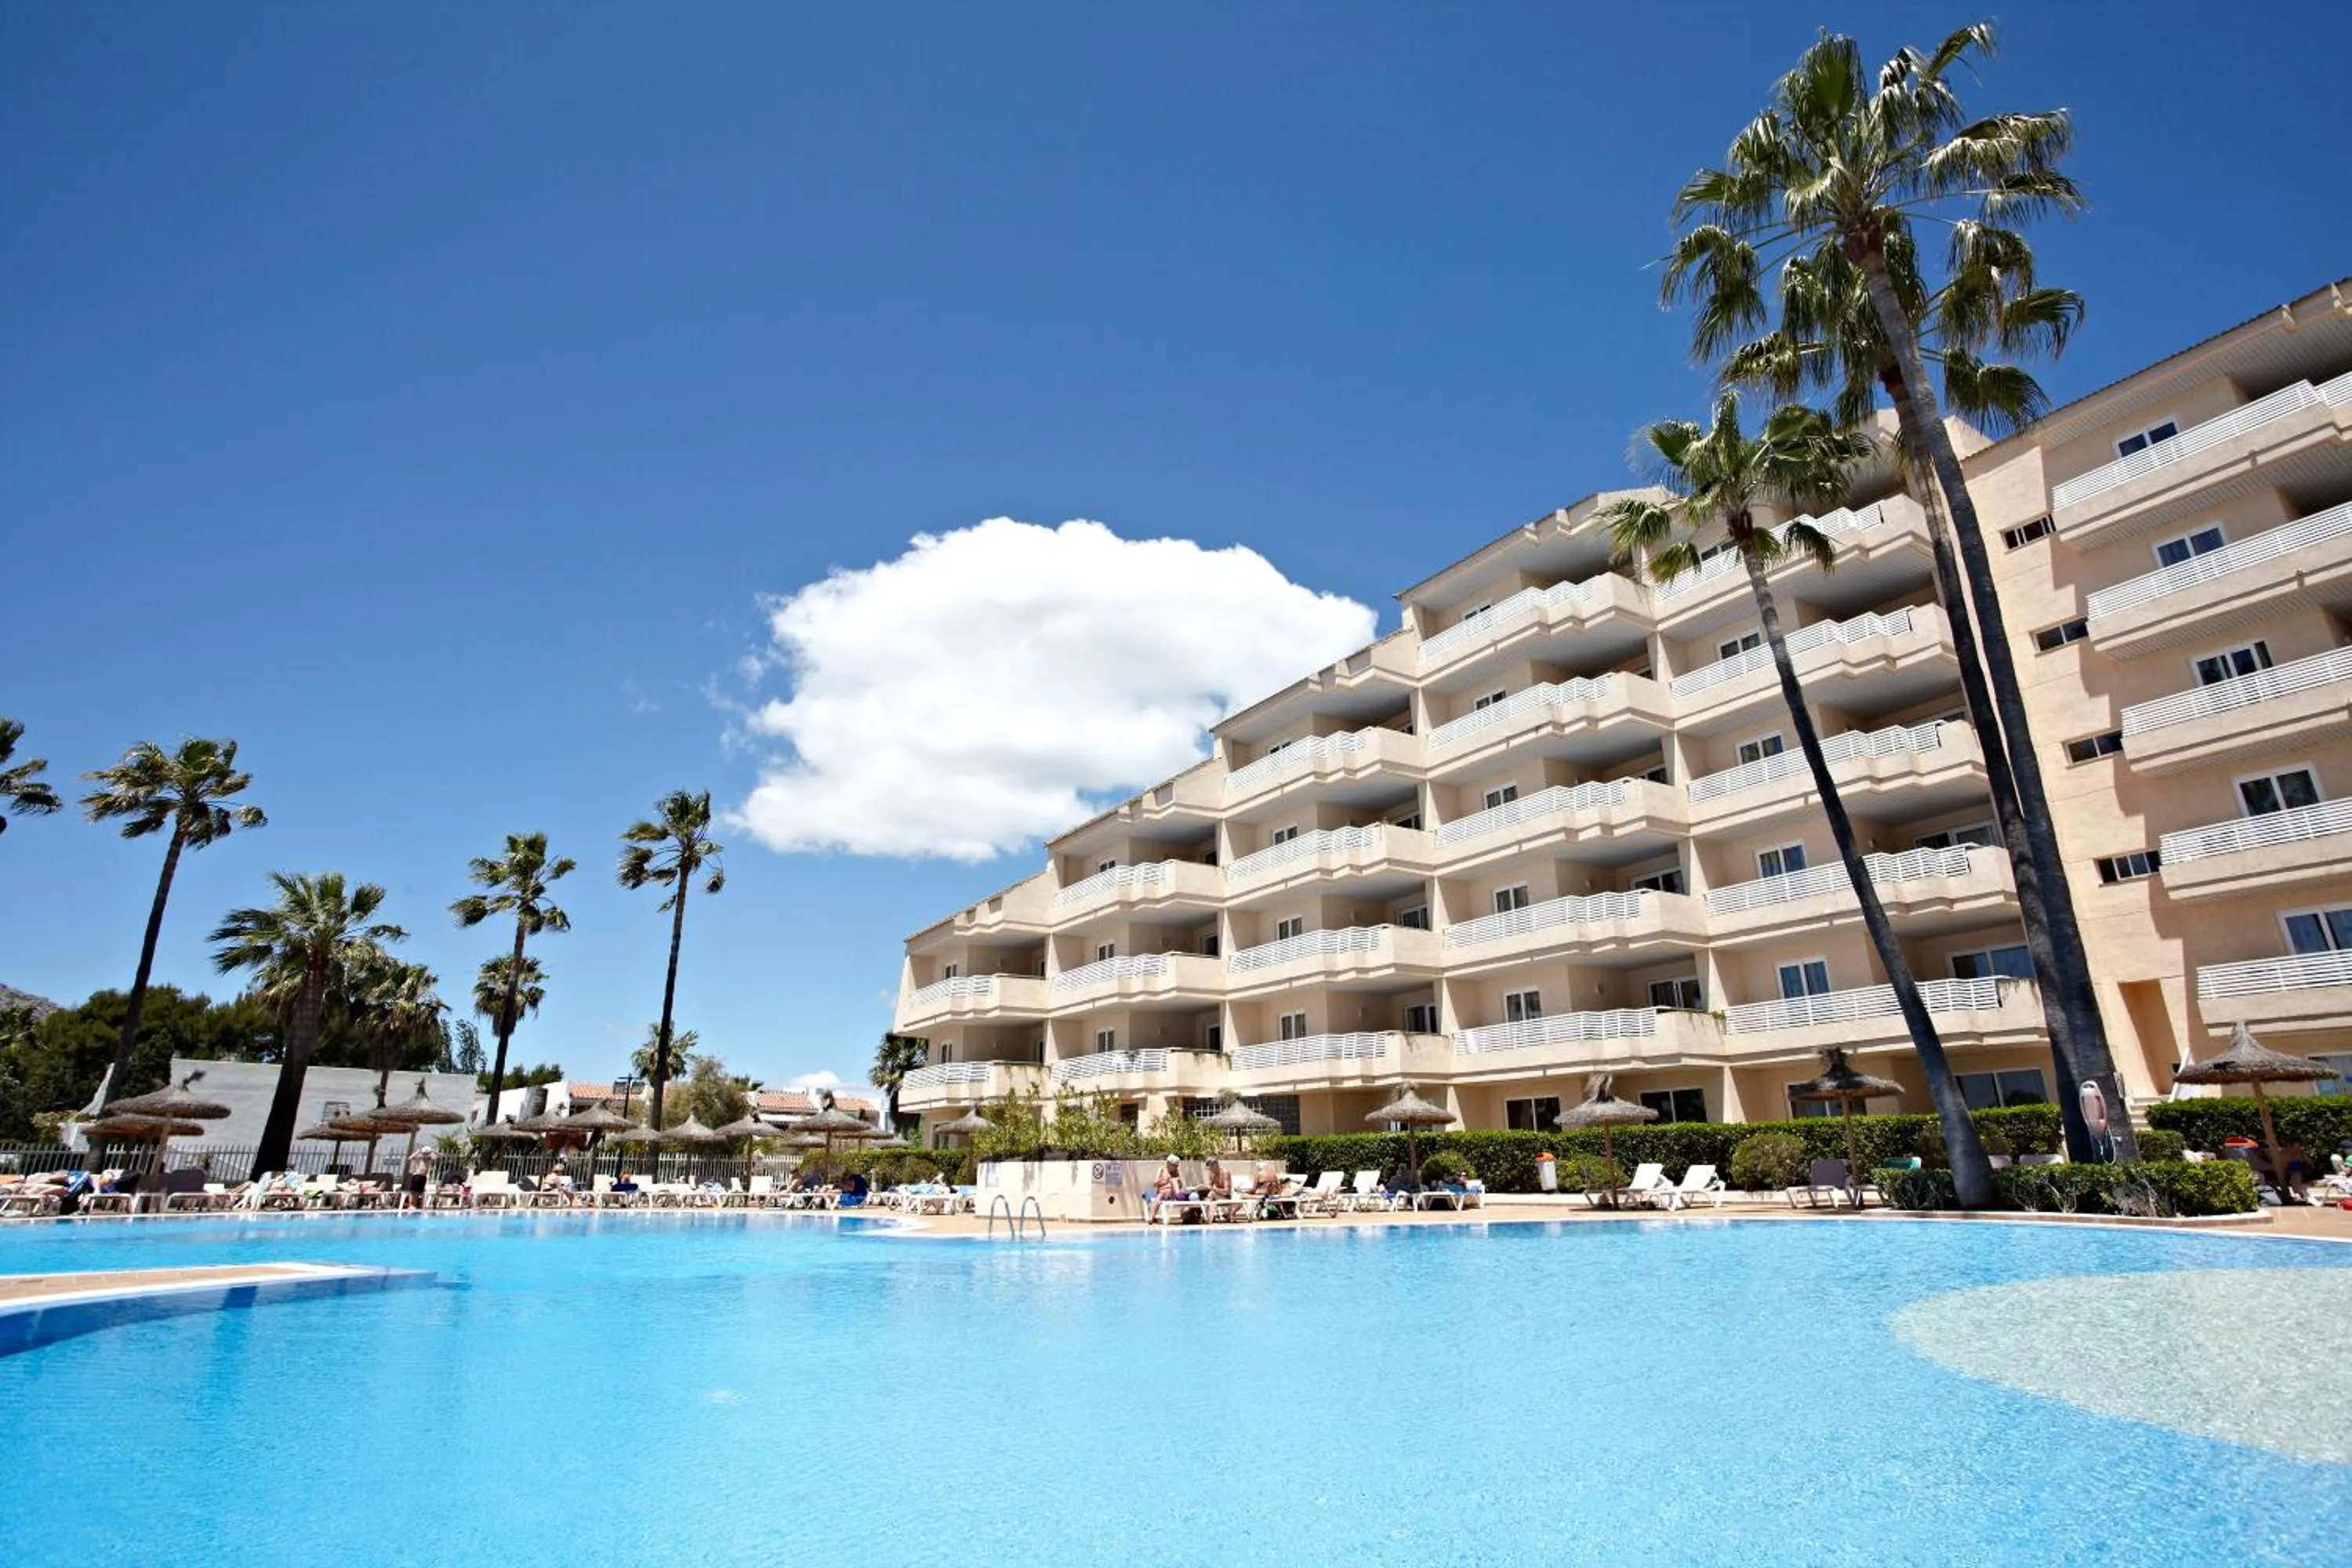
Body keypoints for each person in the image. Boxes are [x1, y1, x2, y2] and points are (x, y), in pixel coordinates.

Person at [404, 1146, 431, 1210]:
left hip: (424, 1176)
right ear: (423, 1153)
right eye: (425, 1153)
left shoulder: (429, 1159)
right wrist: (418, 1151)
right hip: (417, 1175)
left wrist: (433, 1151)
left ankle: (415, 1205)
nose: (426, 1155)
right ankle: (410, 1205)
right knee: (413, 1191)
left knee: (420, 1192)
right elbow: (410, 1158)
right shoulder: (419, 1158)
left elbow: (439, 1156)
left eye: (427, 1153)